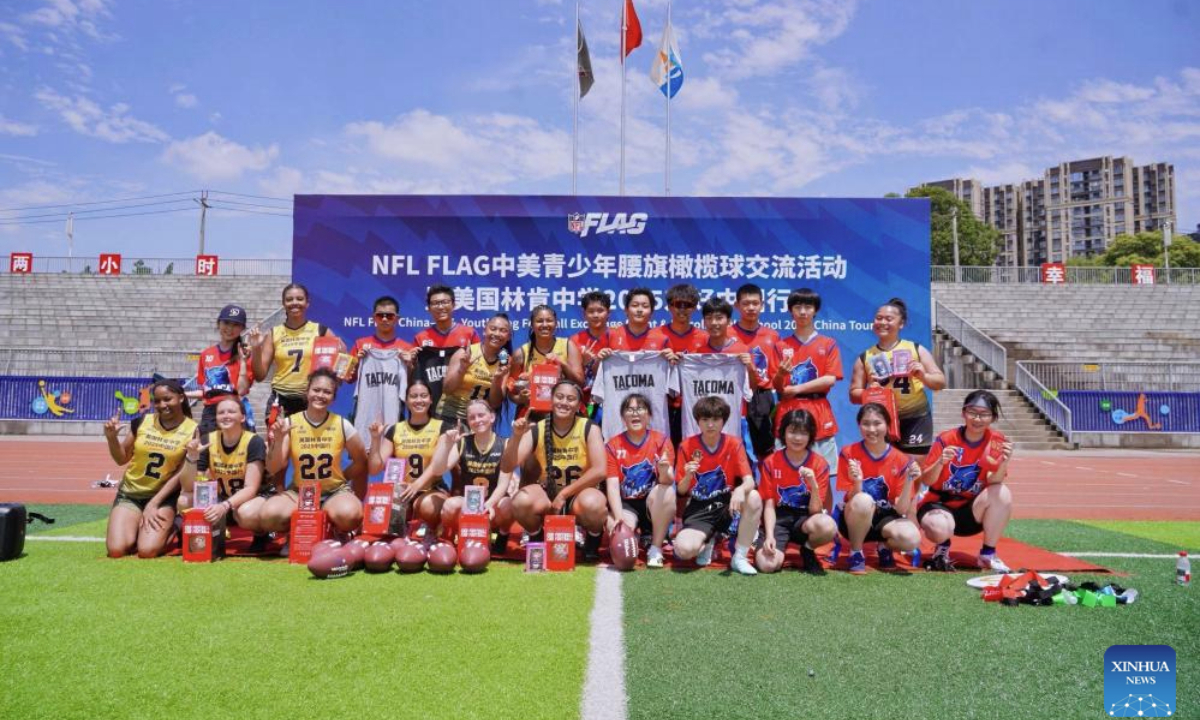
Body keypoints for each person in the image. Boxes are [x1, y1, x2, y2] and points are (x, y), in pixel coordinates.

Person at [499, 380, 608, 560]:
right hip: (548, 493)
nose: (564, 402)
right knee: (520, 501)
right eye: (559, 397)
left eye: (571, 399)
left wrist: (564, 494)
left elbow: (600, 470)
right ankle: (537, 535)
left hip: (578, 494)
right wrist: (516, 437)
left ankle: (593, 539)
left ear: (578, 405)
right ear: (551, 400)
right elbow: (507, 466)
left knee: (594, 504)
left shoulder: (589, 428)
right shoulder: (538, 428)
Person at [916, 390, 1015, 572]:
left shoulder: (996, 441)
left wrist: (1004, 462)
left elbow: (994, 481)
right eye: (972, 412)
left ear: (992, 418)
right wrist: (940, 462)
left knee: (1003, 493)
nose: (977, 419)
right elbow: (928, 480)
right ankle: (942, 547)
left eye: (984, 414)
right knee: (940, 528)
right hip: (939, 504)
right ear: (963, 413)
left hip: (970, 510)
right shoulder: (947, 439)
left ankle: (988, 553)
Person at [260, 369, 368, 537]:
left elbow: (361, 460)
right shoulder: (290, 423)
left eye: (327, 392)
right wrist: (279, 439)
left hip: (333, 491)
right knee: (268, 515)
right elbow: (273, 467)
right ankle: (296, 531)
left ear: (333, 397)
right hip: (299, 492)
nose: (321, 395)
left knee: (350, 515)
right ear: (307, 391)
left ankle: (333, 526)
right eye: (316, 390)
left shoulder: (342, 424)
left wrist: (342, 478)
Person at [103, 379, 198, 559]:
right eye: (157, 400)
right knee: (116, 550)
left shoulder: (193, 430)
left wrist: (154, 503)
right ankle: (136, 523)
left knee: (148, 551)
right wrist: (111, 439)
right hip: (131, 494)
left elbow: (180, 474)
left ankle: (177, 523)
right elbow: (121, 458)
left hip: (163, 497)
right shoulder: (142, 422)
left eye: (167, 399)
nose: (162, 405)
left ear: (181, 398)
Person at [672, 396, 761, 575]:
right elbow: (681, 490)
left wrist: (739, 489)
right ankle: (709, 540)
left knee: (753, 496)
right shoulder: (687, 445)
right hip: (699, 508)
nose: (710, 424)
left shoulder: (734, 444)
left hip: (727, 506)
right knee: (684, 550)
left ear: (723, 421)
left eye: (715, 419)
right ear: (698, 421)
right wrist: (689, 475)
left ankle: (740, 557)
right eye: (705, 419)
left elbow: (749, 481)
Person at [849, 297, 945, 456]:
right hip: (882, 421)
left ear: (901, 323)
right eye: (879, 318)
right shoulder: (865, 357)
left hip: (916, 418)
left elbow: (940, 382)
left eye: (889, 319)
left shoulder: (916, 349)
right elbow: (853, 395)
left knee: (913, 472)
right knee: (884, 471)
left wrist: (923, 376)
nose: (882, 322)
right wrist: (869, 392)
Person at [773, 288, 843, 503]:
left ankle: (826, 527)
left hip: (819, 414)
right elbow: (778, 387)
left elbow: (830, 379)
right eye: (798, 307)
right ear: (790, 311)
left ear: (815, 311)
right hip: (788, 413)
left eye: (808, 307)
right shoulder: (781, 345)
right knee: (783, 473)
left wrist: (797, 389)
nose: (803, 312)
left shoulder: (827, 343)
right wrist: (781, 375)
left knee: (824, 476)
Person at [836, 403, 923, 574]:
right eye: (866, 424)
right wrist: (857, 482)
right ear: (859, 425)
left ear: (888, 425)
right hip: (854, 518)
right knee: (863, 500)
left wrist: (909, 481)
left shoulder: (901, 459)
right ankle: (856, 552)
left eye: (877, 423)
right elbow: (849, 499)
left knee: (911, 538)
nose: (872, 429)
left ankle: (884, 547)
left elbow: (901, 509)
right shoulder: (849, 453)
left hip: (885, 518)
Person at [177, 396, 271, 550]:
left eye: (231, 412)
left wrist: (224, 506)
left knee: (245, 513)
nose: (226, 415)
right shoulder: (208, 439)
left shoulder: (254, 442)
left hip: (249, 500)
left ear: (242, 417)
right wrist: (191, 457)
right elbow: (188, 486)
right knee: (184, 500)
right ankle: (212, 532)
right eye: (221, 412)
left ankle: (261, 534)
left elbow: (250, 488)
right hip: (221, 498)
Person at [367, 381, 455, 541]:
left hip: (431, 488)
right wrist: (375, 439)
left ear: (430, 400)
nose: (418, 400)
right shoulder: (394, 430)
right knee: (382, 502)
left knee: (427, 506)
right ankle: (399, 532)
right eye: (413, 396)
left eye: (423, 396)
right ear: (406, 401)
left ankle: (431, 530)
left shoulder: (442, 427)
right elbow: (374, 469)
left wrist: (416, 486)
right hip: (403, 489)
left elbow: (437, 464)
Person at [249, 282, 343, 427]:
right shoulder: (274, 333)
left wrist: (334, 381)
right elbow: (260, 376)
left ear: (307, 303)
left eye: (299, 299)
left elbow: (343, 360)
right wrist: (255, 348)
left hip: (309, 400)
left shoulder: (320, 330)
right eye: (289, 299)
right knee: (278, 447)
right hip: (280, 400)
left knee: (306, 448)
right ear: (283, 303)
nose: (294, 303)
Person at [756, 409, 837, 574]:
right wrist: (770, 535)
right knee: (767, 565)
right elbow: (769, 504)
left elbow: (815, 511)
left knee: (827, 525)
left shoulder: (819, 464)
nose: (797, 438)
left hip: (804, 520)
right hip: (778, 519)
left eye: (803, 433)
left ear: (811, 436)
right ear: (783, 433)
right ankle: (774, 545)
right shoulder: (771, 462)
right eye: (792, 432)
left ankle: (807, 550)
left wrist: (813, 485)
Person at [432, 398, 516, 554]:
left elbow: (504, 484)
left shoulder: (505, 443)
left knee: (510, 504)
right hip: (469, 504)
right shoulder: (462, 442)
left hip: (494, 504)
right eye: (472, 417)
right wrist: (446, 444)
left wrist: (488, 505)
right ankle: (465, 534)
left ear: (492, 417)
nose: (477, 420)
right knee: (449, 507)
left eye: (481, 415)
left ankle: (502, 535)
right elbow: (438, 470)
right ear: (468, 421)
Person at [603, 393, 676, 568]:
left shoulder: (662, 440)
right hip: (627, 503)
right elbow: (612, 486)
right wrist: (619, 520)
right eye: (630, 409)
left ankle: (656, 548)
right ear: (622, 417)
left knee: (667, 492)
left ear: (649, 415)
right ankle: (635, 535)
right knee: (616, 527)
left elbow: (668, 481)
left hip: (652, 502)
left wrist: (664, 470)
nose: (635, 414)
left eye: (640, 409)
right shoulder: (613, 445)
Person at [732, 283, 781, 462]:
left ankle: (766, 488)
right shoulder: (727, 334)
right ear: (737, 306)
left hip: (763, 397)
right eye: (745, 303)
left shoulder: (772, 335)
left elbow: (776, 373)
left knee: (766, 451)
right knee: (735, 448)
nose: (751, 308)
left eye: (755, 303)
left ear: (762, 305)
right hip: (734, 396)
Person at [508, 305, 584, 419]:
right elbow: (511, 391)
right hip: (532, 416)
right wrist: (520, 398)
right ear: (532, 325)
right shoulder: (521, 353)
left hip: (563, 414)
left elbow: (580, 383)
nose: (544, 325)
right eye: (539, 321)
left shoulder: (568, 346)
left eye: (549, 321)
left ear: (556, 323)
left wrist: (562, 364)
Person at [649, 283, 702, 445]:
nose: (683, 309)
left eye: (688, 305)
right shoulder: (654, 335)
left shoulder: (704, 338)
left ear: (694, 308)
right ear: (669, 306)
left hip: (692, 406)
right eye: (678, 304)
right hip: (661, 406)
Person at [413, 284, 480, 412]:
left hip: (461, 405)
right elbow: (414, 373)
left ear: (453, 305)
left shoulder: (469, 334)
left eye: (445, 302)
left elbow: (479, 367)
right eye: (435, 303)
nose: (440, 307)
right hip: (430, 407)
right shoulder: (421, 338)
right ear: (429, 308)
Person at [190, 304, 253, 435]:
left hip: (233, 409)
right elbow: (206, 391)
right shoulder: (206, 354)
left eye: (236, 324)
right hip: (210, 413)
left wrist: (242, 361)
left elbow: (241, 390)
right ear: (218, 324)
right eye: (226, 323)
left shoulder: (246, 353)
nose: (230, 328)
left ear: (242, 328)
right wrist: (182, 394)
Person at [439, 313, 513, 422]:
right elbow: (447, 389)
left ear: (508, 337)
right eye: (493, 329)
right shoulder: (465, 353)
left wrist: (497, 379)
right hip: (449, 416)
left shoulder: (505, 361)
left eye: (503, 330)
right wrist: (462, 370)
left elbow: (495, 403)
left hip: (479, 421)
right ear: (484, 330)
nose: (497, 334)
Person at [347, 295, 416, 381]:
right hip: (367, 394)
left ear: (397, 319)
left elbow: (411, 384)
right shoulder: (360, 344)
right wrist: (357, 362)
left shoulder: (407, 348)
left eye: (389, 316)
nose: (384, 319)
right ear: (374, 318)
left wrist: (409, 365)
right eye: (380, 315)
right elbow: (348, 379)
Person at [570, 290, 612, 413]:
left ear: (608, 313)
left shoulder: (618, 337)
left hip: (612, 399)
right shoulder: (574, 340)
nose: (595, 315)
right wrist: (583, 363)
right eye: (591, 311)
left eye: (600, 310)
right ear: (584, 314)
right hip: (584, 401)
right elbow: (571, 376)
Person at [599, 287, 669, 354]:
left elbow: (672, 365)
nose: (639, 310)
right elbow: (594, 365)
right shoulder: (610, 335)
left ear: (652, 312)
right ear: (626, 310)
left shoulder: (662, 339)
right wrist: (598, 359)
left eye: (645, 306)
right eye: (635, 305)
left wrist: (671, 360)